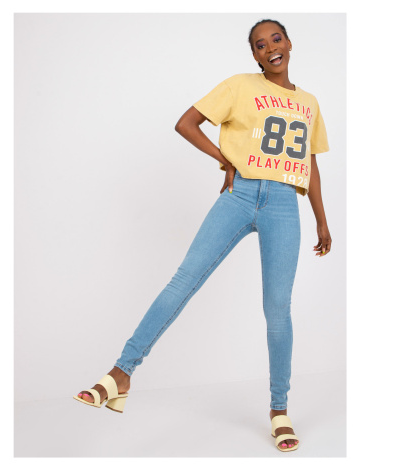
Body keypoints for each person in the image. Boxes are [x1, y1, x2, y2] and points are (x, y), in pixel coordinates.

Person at [73, 18, 332, 453]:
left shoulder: (309, 103)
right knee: (184, 281)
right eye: (260, 44)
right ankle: (121, 374)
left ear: (289, 43)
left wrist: (322, 220)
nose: (270, 47)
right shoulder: (240, 86)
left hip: (285, 204)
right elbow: (187, 123)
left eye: (276, 39)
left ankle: (279, 410)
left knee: (277, 310)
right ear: (254, 55)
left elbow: (310, 162)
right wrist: (224, 161)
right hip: (240, 194)